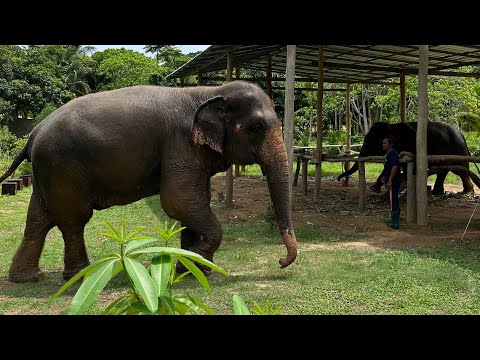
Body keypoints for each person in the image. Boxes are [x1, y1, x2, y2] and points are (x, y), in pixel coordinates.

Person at [380, 135, 401, 229]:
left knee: (393, 200)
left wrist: (390, 180)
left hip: (394, 181)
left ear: (391, 144)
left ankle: (395, 221)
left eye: (385, 143)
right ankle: (393, 218)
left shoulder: (392, 153)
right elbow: (388, 167)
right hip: (391, 179)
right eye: (383, 143)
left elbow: (395, 166)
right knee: (391, 199)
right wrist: (385, 177)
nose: (383, 145)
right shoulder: (389, 153)